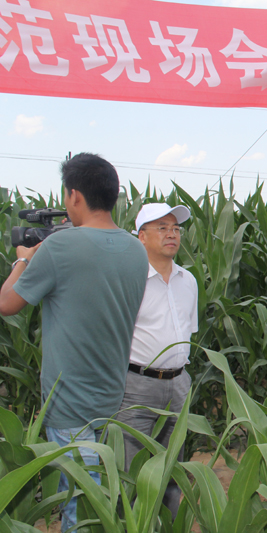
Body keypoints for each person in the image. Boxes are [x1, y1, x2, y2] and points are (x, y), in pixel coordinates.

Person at [0, 153, 148, 532]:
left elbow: (7, 304)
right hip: (111, 399)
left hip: (69, 404)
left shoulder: (59, 248)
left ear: (75, 196)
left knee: (80, 508)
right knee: (100, 493)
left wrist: (22, 259)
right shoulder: (135, 249)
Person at [115, 203, 197, 519]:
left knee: (172, 468)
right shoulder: (128, 279)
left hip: (178, 384)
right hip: (136, 386)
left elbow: (189, 330)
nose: (172, 234)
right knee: (132, 469)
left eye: (176, 228)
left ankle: (169, 524)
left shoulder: (187, 280)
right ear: (141, 237)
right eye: (162, 228)